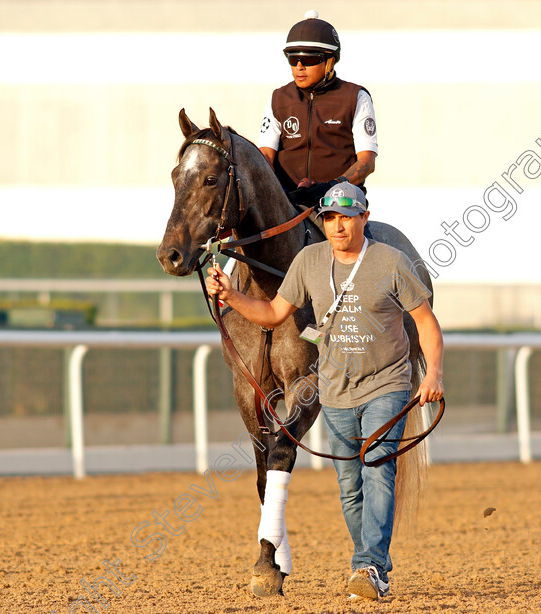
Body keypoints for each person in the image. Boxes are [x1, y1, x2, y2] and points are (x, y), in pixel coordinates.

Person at [206, 183, 444, 601]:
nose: (338, 226)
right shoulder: (308, 262)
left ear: (364, 218)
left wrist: (433, 374)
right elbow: (274, 313)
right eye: (331, 218)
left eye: (347, 218)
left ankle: (371, 567)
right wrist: (231, 294)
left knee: (377, 471)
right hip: (334, 392)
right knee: (350, 485)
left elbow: (425, 322)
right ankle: (367, 559)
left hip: (385, 385)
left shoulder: (391, 261)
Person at [258, 10, 378, 210]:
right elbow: (265, 157)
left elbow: (367, 162)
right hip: (288, 200)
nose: (299, 66)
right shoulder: (278, 98)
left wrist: (331, 187)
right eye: (292, 58)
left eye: (309, 60)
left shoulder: (356, 97)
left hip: (340, 200)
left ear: (330, 61)